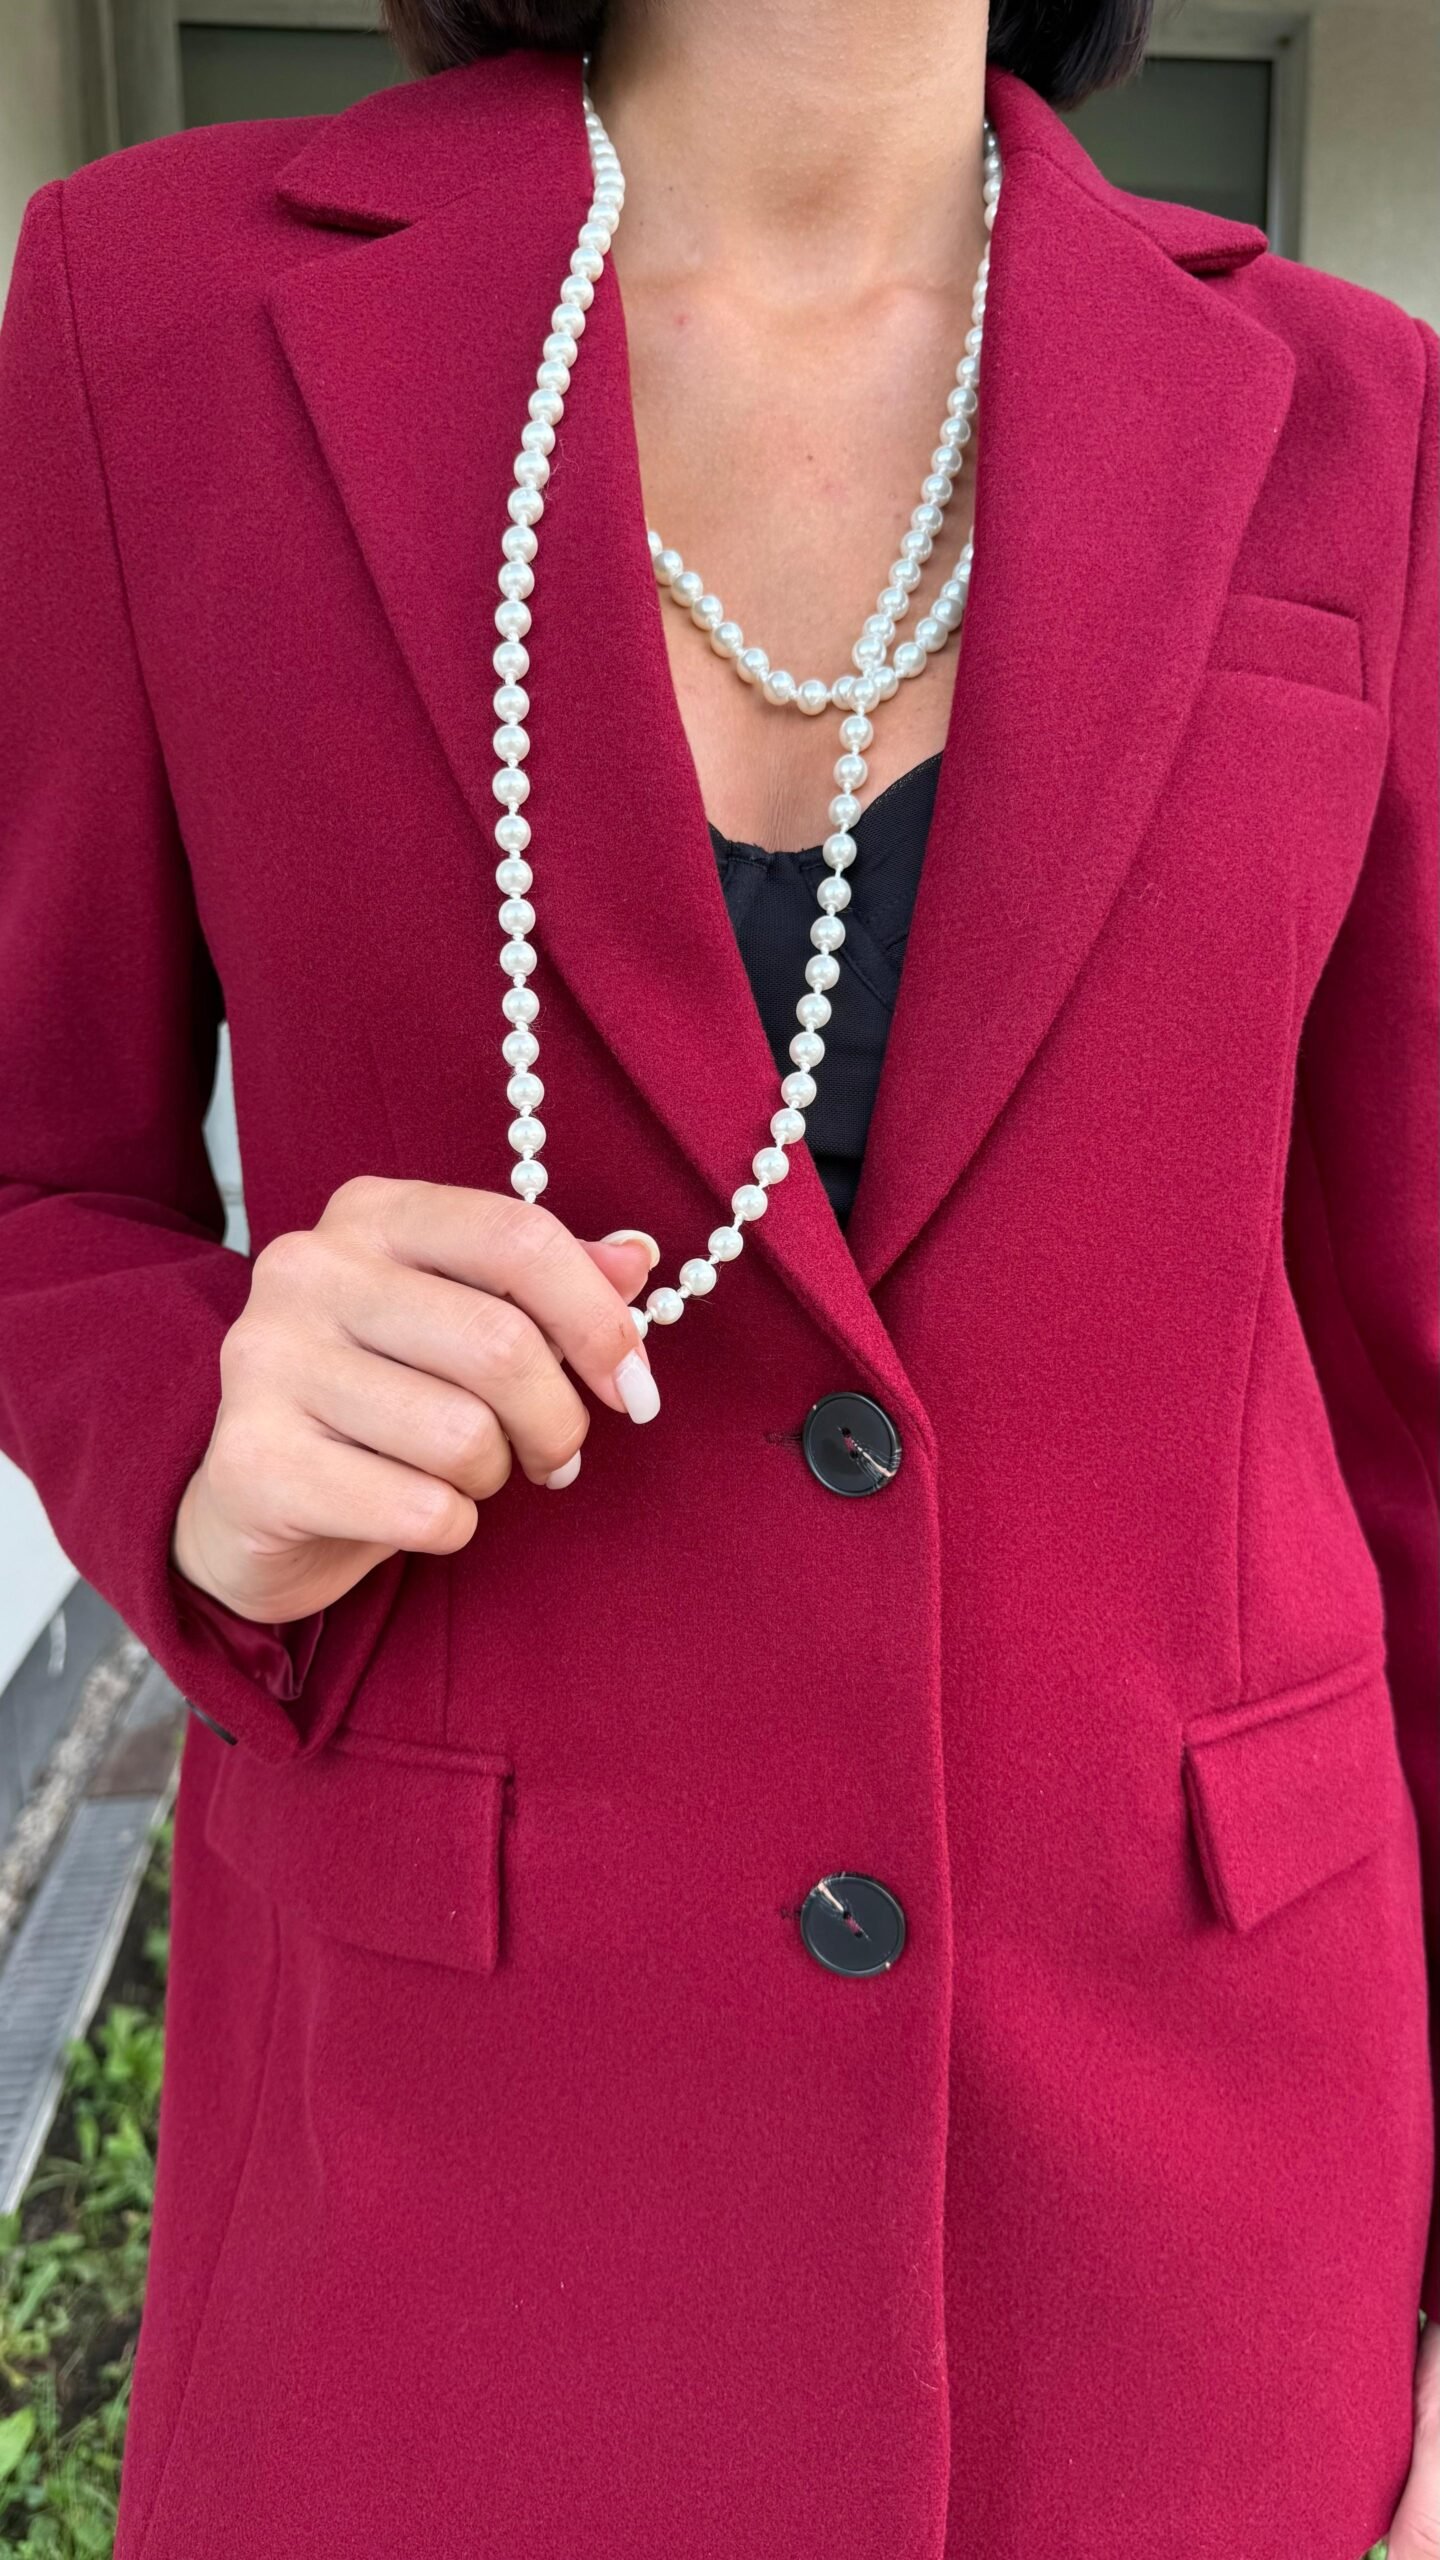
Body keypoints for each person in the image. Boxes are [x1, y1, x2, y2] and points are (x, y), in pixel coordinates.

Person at [0, 0, 1434, 2551]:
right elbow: (33, 1177)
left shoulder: (1357, 415)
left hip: (1199, 2241)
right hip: (445, 2218)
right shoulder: (158, 318)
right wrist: (204, 1419)